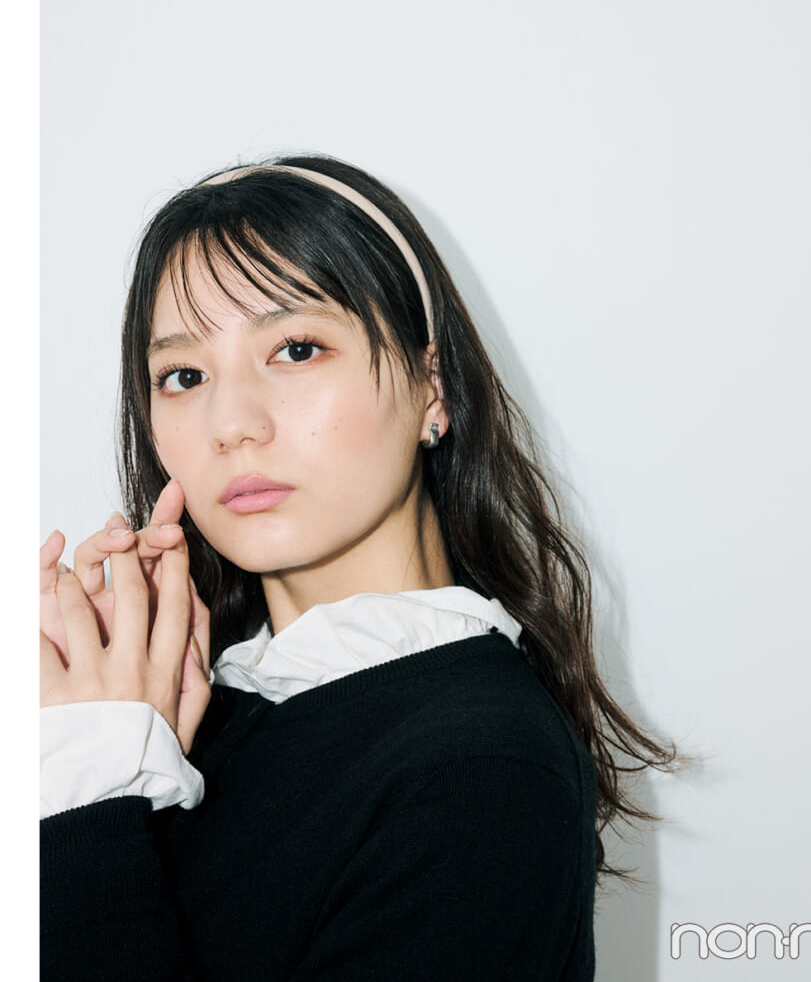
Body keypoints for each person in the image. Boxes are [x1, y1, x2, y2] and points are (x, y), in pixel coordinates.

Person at [40, 155, 676, 980]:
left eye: (297, 349)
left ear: (431, 387)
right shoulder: (188, 716)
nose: (232, 423)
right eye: (184, 375)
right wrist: (121, 743)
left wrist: (86, 795)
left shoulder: (480, 767)